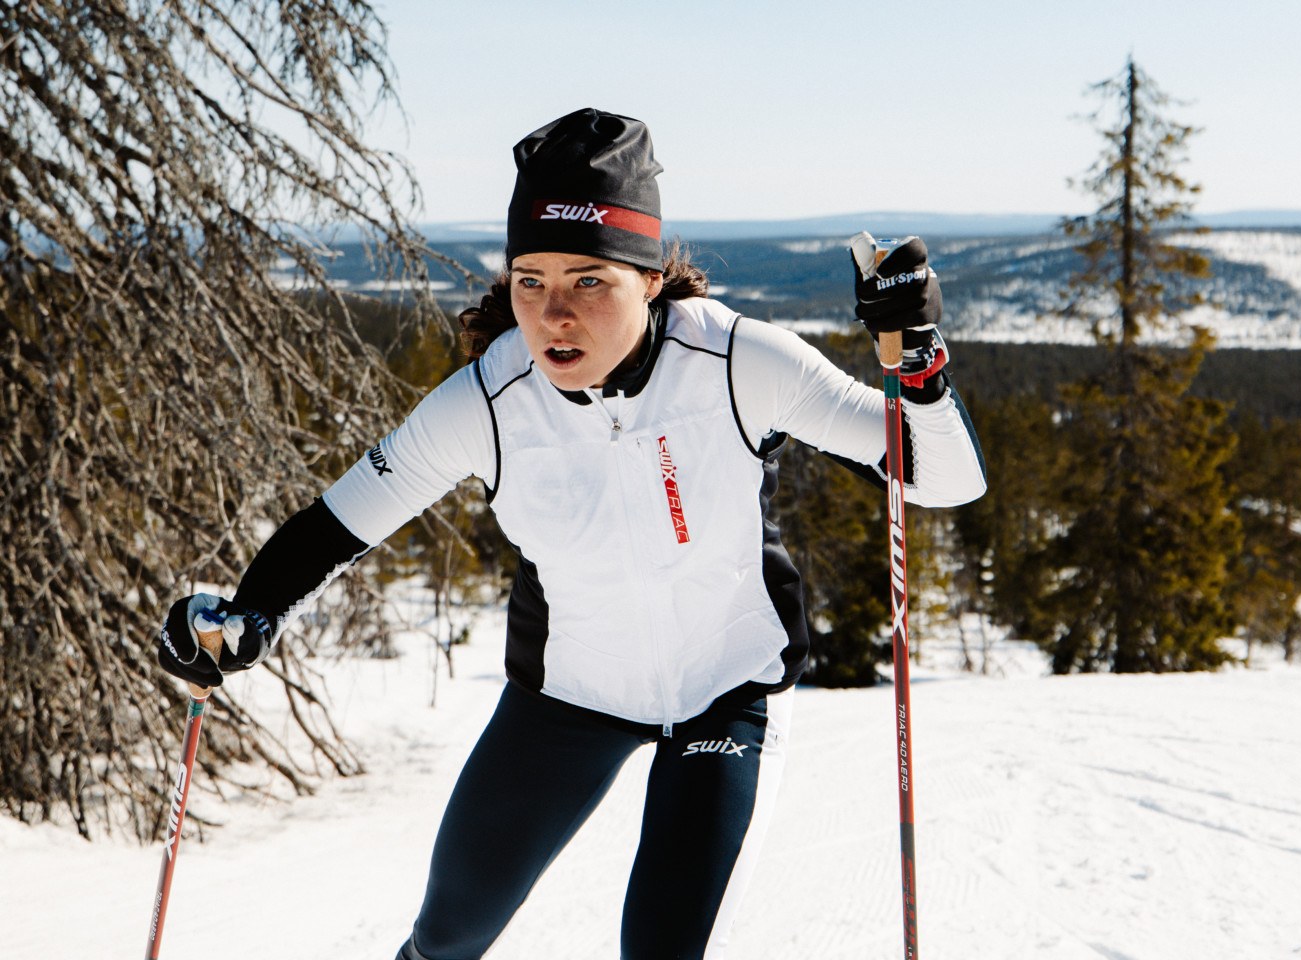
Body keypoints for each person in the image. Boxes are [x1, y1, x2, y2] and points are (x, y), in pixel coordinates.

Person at [157, 107, 986, 960]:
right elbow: (337, 525)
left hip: (724, 695)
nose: (553, 314)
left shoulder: (740, 362)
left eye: (589, 280)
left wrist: (917, 360)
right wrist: (250, 614)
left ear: (652, 279)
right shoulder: (486, 401)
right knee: (445, 939)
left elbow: (944, 480)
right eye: (530, 281)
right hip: (563, 702)